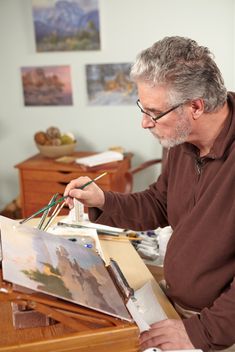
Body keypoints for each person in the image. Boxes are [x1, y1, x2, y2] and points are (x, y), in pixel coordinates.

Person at [64, 36, 235, 352]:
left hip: (219, 329)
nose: (144, 123)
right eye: (143, 108)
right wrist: (103, 200)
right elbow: (160, 201)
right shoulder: (181, 140)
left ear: (195, 106)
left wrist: (201, 331)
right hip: (180, 307)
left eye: (154, 112)